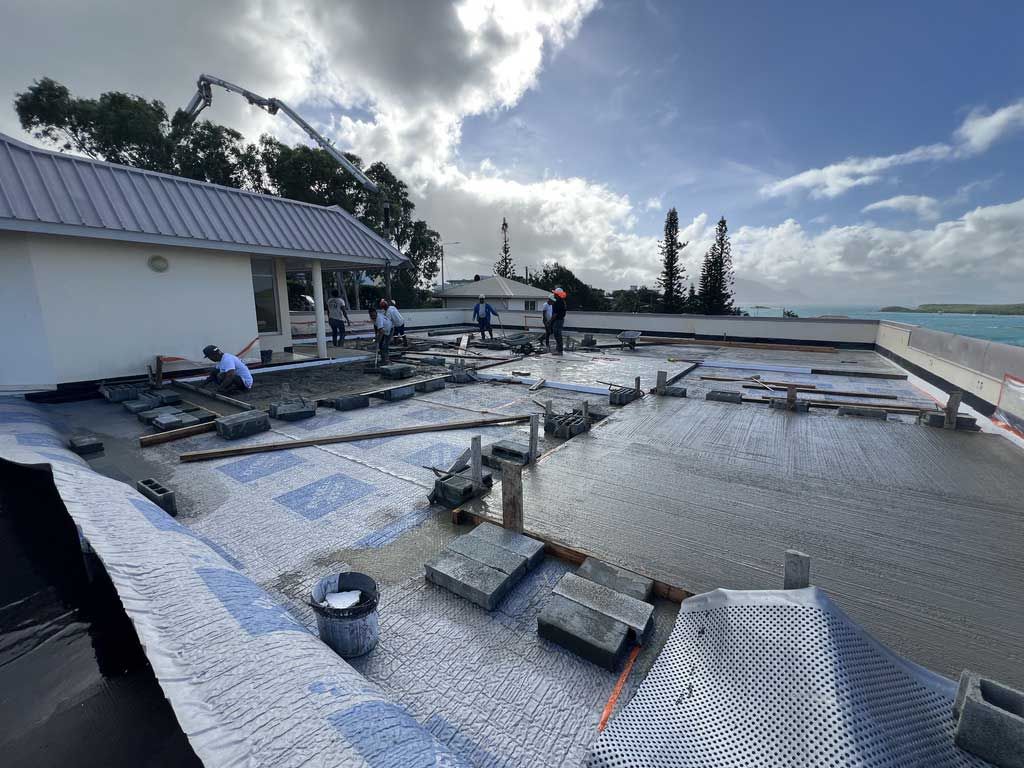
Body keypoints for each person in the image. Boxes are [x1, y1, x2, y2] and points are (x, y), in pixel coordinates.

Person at [551, 288, 567, 355]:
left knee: (557, 335)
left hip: (557, 320)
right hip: (561, 320)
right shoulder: (562, 301)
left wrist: (550, 321)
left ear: (557, 294)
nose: (554, 295)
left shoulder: (557, 302)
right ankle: (559, 349)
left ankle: (559, 350)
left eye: (555, 294)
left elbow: (555, 313)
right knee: (558, 334)